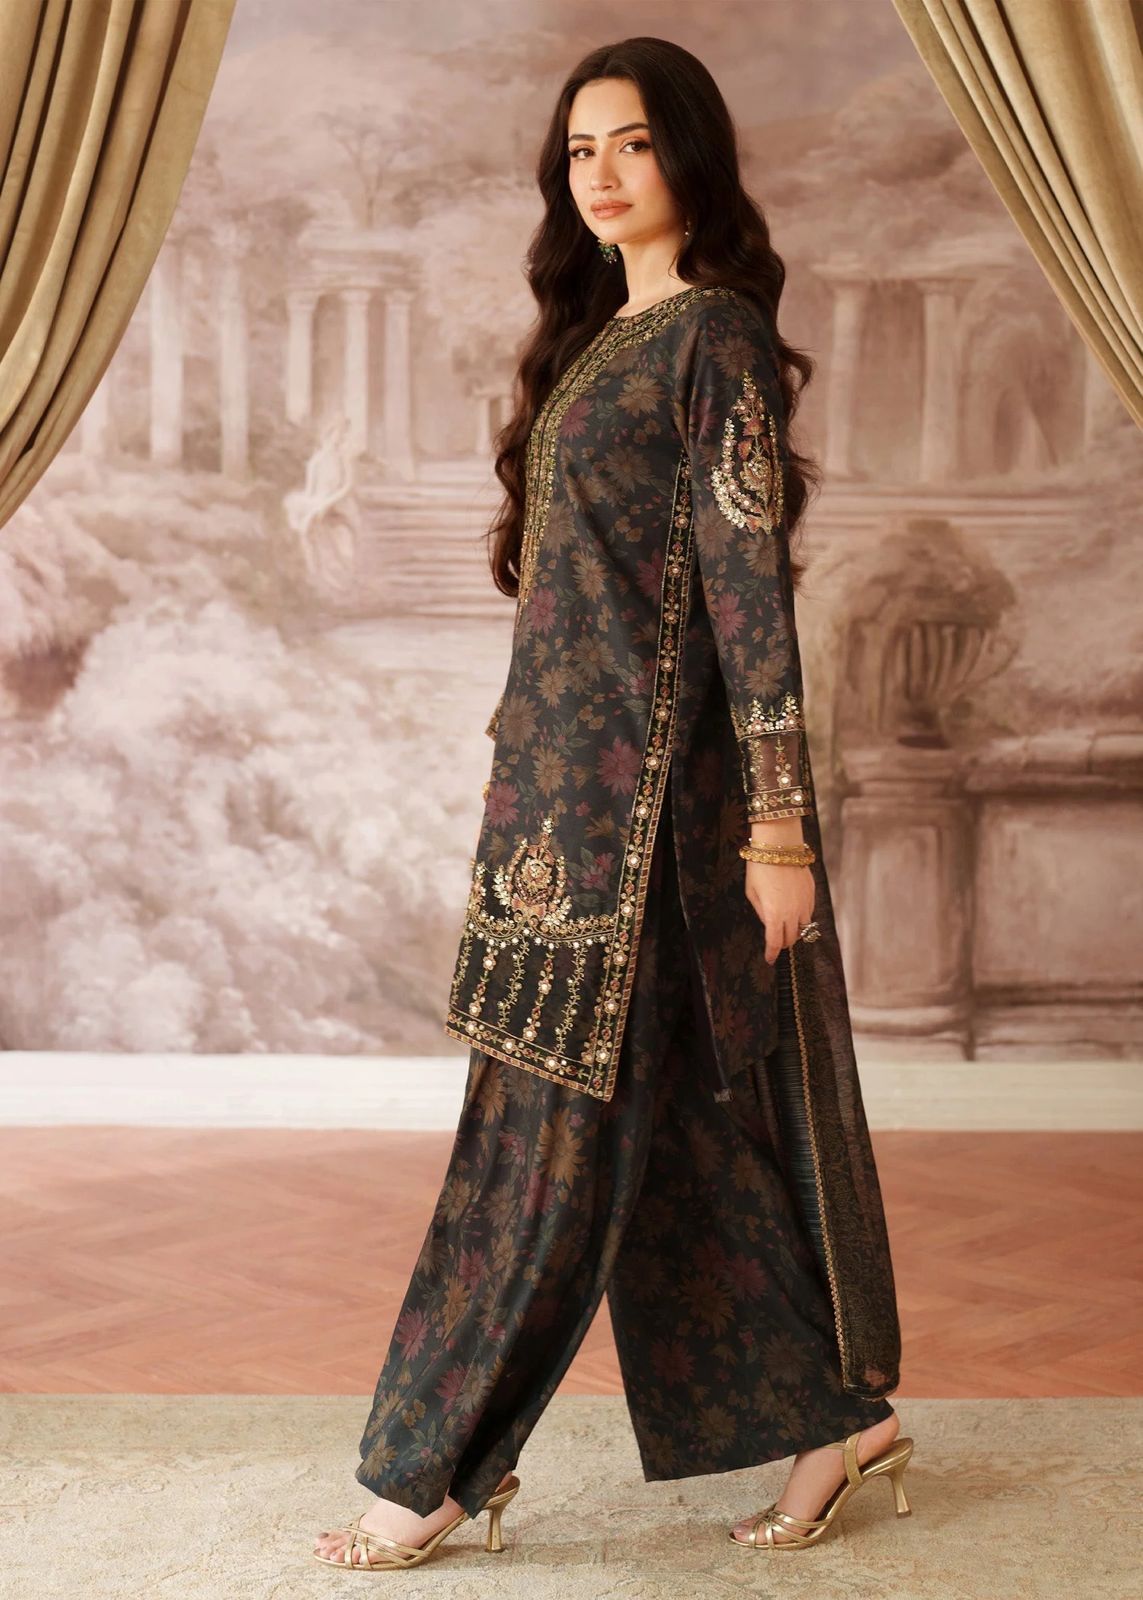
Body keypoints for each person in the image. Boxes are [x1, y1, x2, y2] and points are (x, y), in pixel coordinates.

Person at [314, 34, 910, 1572]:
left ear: (688, 156)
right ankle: (839, 1419)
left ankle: (441, 1466)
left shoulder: (713, 339)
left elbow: (749, 599)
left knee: (542, 1149)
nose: (602, 172)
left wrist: (777, 827)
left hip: (647, 825)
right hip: (554, 812)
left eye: (632, 143)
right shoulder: (598, 343)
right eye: (581, 149)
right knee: (684, 1138)